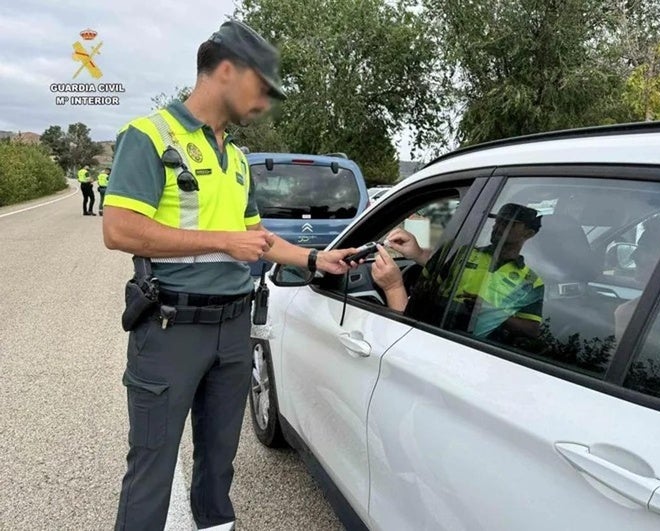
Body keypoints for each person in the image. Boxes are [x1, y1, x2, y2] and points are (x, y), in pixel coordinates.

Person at [102, 20, 356, 531]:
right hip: (171, 328)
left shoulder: (237, 158)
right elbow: (119, 229)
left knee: (219, 465)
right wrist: (221, 241)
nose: (263, 101)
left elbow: (257, 237)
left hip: (234, 330)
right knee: (152, 466)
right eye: (260, 86)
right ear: (225, 71)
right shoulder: (151, 136)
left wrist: (312, 260)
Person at [373, 203, 545, 341]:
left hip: (484, 349)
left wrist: (490, 312)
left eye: (508, 224)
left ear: (529, 233)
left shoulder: (531, 281)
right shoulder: (464, 252)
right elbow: (431, 281)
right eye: (498, 221)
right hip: (434, 332)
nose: (498, 227)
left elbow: (532, 330)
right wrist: (418, 253)